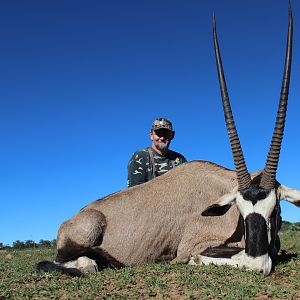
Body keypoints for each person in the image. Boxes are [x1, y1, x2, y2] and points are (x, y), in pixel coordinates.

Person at [127, 117, 187, 187]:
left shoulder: (180, 160)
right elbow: (134, 193)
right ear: (151, 135)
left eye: (166, 133)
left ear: (172, 135)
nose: (162, 138)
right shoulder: (140, 157)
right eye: (158, 134)